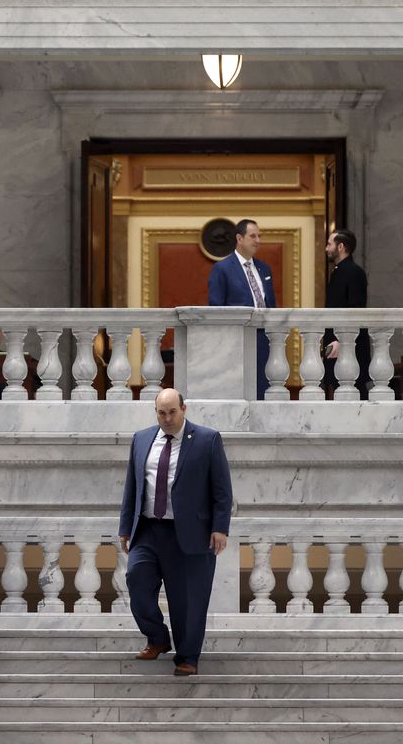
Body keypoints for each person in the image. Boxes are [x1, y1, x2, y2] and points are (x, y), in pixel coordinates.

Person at [118, 388, 233, 676]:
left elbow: (222, 489)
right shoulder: (142, 439)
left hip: (191, 532)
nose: (167, 418)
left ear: (184, 409)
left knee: (189, 599)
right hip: (148, 529)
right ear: (155, 412)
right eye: (161, 412)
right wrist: (125, 527)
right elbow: (132, 487)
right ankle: (157, 638)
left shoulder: (207, 440)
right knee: (136, 579)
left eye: (172, 412)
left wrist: (220, 527)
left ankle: (188, 655)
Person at [208, 219, 276, 399]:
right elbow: (215, 309)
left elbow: (271, 305)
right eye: (253, 236)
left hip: (264, 340)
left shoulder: (264, 268)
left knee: (262, 390)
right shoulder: (222, 268)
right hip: (235, 341)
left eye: (259, 236)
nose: (258, 240)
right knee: (237, 392)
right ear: (239, 238)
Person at [322, 229, 370, 399]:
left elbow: (355, 310)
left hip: (348, 346)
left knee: (354, 394)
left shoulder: (353, 272)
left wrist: (341, 340)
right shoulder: (339, 271)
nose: (327, 248)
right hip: (337, 344)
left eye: (329, 244)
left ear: (340, 247)